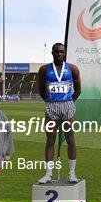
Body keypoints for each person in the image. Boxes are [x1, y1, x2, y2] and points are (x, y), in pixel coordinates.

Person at [37, 42, 81, 184]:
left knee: (71, 140)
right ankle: (48, 174)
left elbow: (78, 89)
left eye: (62, 52)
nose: (59, 54)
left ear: (65, 53)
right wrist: (49, 102)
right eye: (57, 51)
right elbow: (41, 90)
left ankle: (72, 173)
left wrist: (70, 101)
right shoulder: (44, 69)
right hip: (51, 107)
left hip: (67, 105)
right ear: (52, 52)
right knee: (50, 141)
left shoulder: (72, 69)